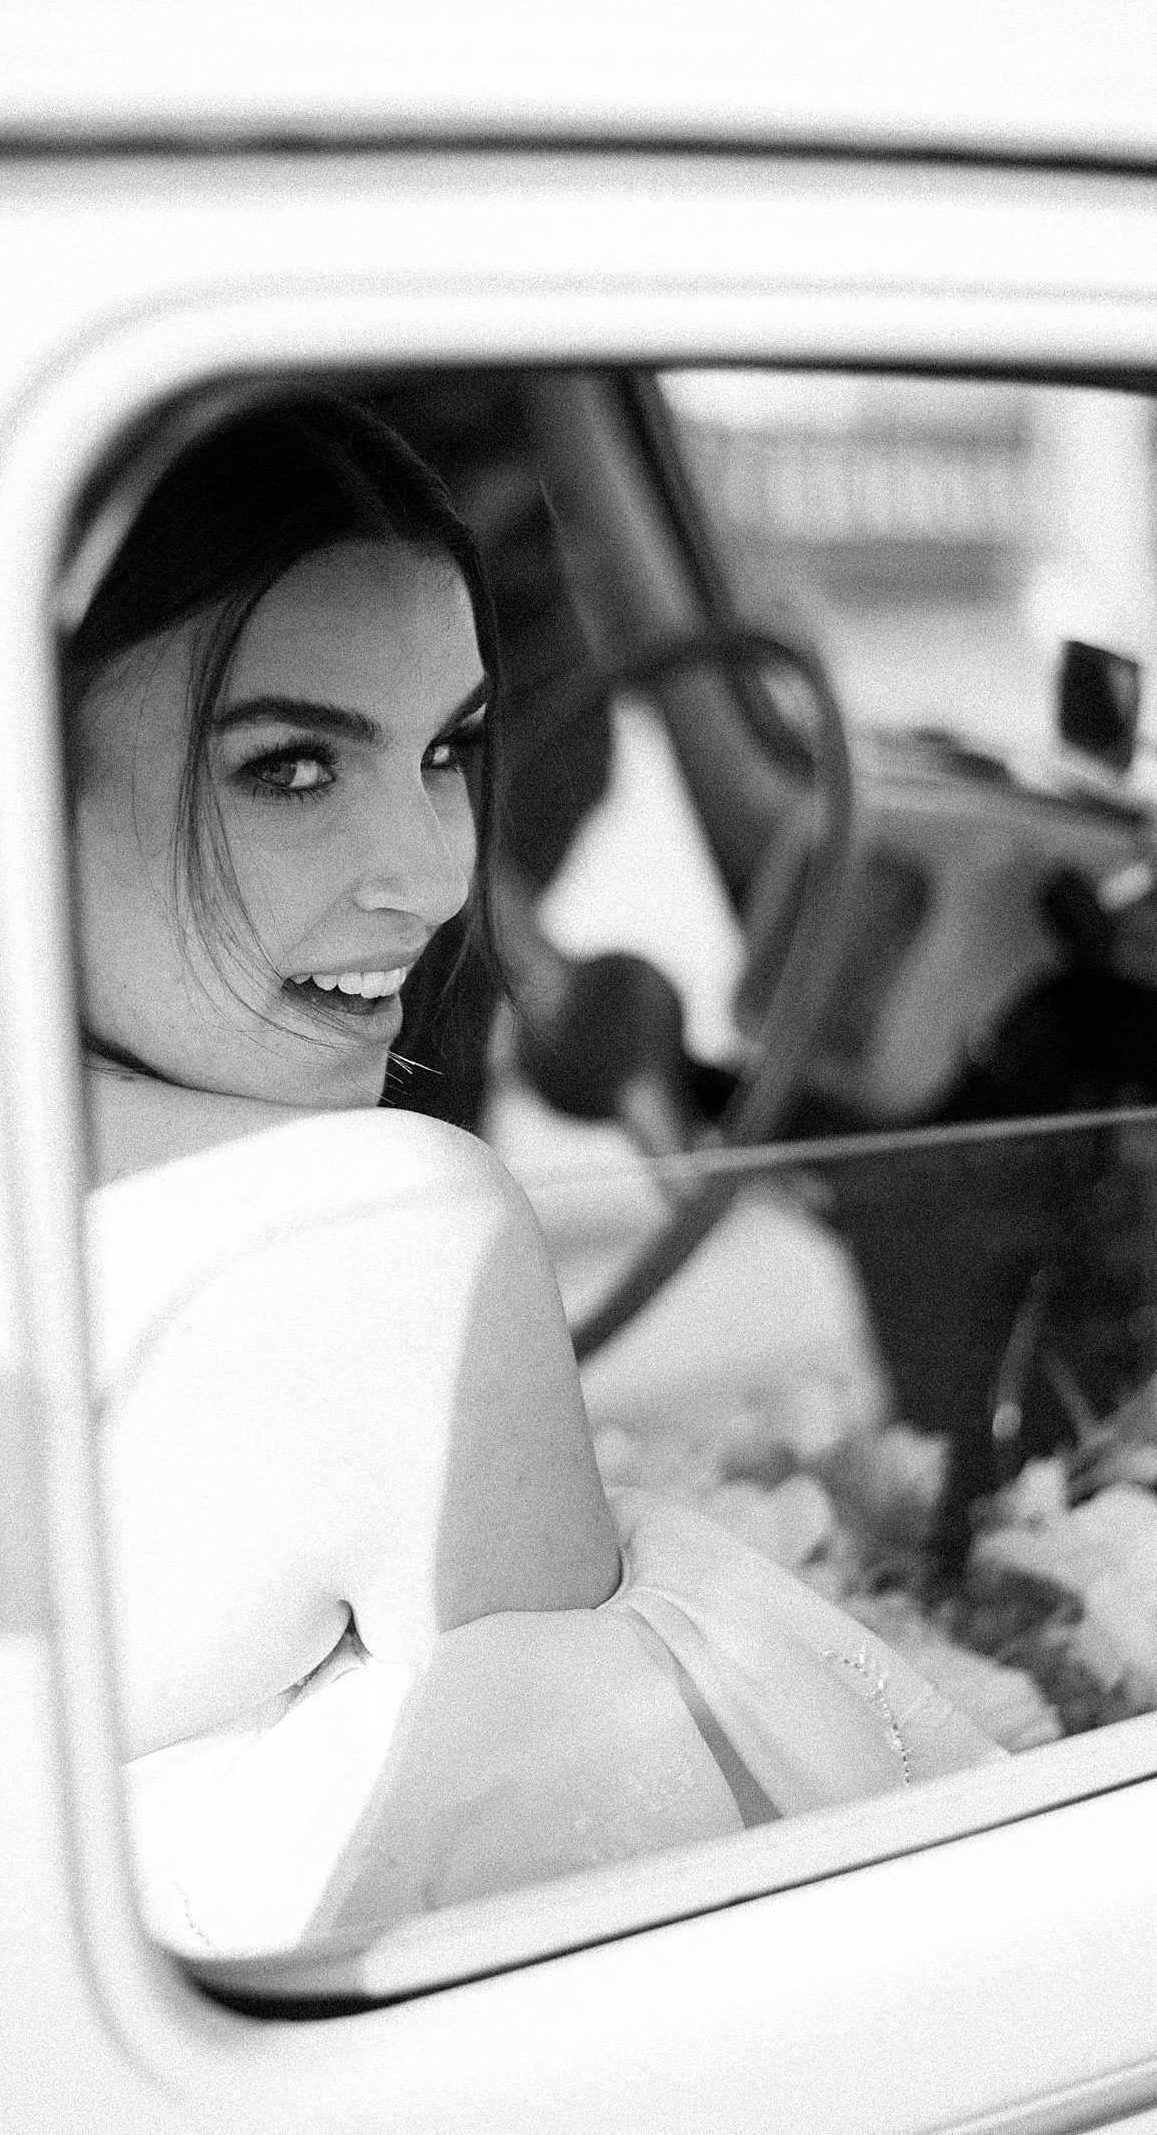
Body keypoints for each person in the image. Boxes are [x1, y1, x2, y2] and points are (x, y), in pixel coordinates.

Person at [62, 394, 1000, 1957]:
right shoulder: (391, 1241)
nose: (434, 875)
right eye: (289, 766)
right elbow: (636, 1937)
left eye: (450, 749)